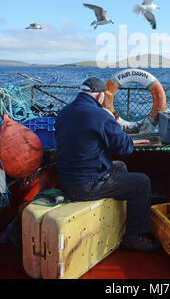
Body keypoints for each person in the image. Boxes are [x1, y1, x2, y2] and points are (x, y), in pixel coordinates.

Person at [54, 77, 160, 252]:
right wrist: (113, 123)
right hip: (86, 186)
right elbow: (125, 148)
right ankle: (133, 237)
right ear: (100, 97)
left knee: (119, 167)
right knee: (142, 183)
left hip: (66, 181)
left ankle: (114, 219)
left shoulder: (64, 112)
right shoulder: (101, 116)